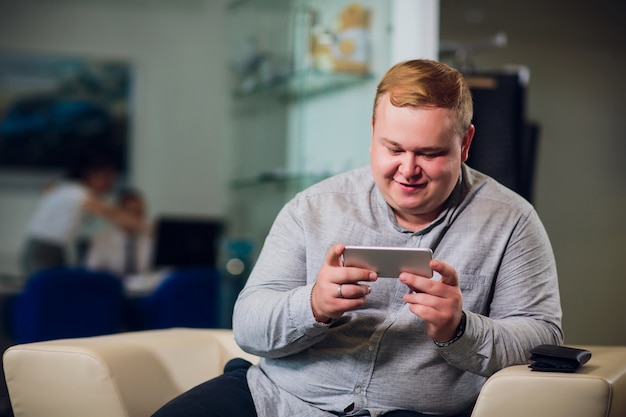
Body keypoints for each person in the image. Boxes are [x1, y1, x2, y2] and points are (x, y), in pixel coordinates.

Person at [152, 59, 563, 417]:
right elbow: (248, 325)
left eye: (430, 153)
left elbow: (541, 337)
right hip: (278, 400)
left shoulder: (511, 221)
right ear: (372, 132)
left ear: (466, 143)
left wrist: (459, 329)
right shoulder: (313, 207)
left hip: (414, 411)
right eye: (393, 148)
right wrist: (312, 305)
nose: (408, 169)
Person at [20, 149, 149, 277]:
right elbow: (112, 214)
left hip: (54, 249)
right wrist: (149, 228)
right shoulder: (78, 194)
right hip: (43, 251)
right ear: (92, 176)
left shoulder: (66, 188)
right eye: (108, 179)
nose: (110, 186)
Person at [85, 187, 153, 277]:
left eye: (139, 213)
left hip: (144, 288)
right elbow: (92, 268)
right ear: (118, 214)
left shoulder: (151, 239)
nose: (134, 218)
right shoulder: (103, 239)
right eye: (129, 213)